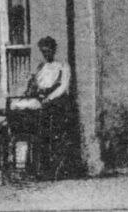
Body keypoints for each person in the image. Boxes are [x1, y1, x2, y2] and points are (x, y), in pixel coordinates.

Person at [25, 36, 77, 178]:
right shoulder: (41, 67)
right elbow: (36, 84)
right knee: (38, 135)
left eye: (48, 51)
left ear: (53, 50)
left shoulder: (62, 66)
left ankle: (55, 170)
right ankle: (38, 169)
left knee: (54, 136)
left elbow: (64, 86)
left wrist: (49, 98)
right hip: (42, 102)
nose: (46, 54)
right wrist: (33, 90)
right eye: (43, 52)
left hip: (57, 103)